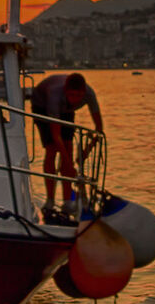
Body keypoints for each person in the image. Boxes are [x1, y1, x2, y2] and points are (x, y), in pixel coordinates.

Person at [28, 72, 104, 216]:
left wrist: (87, 150)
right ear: (65, 91)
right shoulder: (54, 94)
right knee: (52, 149)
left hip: (66, 111)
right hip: (42, 106)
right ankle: (50, 199)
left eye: (78, 95)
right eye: (72, 95)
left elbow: (99, 128)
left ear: (84, 92)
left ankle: (67, 201)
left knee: (68, 148)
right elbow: (56, 135)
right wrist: (69, 165)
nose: (75, 99)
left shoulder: (89, 94)